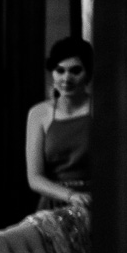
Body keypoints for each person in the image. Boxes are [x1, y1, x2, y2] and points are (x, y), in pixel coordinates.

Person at [25, 36, 93, 209]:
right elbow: (35, 178)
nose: (66, 78)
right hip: (54, 204)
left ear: (88, 74)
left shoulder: (102, 110)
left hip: (95, 202)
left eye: (75, 71)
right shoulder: (39, 114)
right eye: (60, 70)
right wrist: (70, 196)